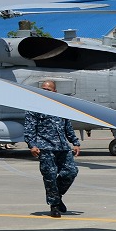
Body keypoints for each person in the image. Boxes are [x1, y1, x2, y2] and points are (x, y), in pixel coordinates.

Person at [25, 80, 80, 218]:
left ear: (55, 91)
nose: (45, 91)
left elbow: (68, 126)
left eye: (48, 89)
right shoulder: (34, 107)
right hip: (45, 147)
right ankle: (54, 205)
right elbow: (29, 128)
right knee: (50, 176)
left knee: (71, 172)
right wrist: (32, 145)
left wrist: (75, 142)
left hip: (62, 147)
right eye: (43, 89)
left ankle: (57, 196)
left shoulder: (61, 106)